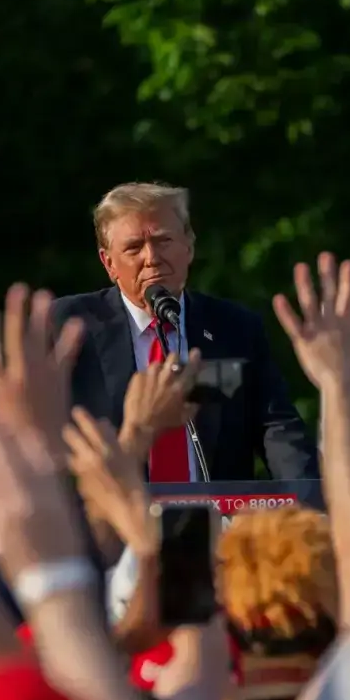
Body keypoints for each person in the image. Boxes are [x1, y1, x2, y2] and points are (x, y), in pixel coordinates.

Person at [53, 182, 317, 482]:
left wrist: (308, 501)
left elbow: (278, 430)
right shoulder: (69, 327)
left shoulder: (235, 327)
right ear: (109, 263)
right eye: (134, 247)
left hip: (215, 510)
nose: (151, 257)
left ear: (189, 246)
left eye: (163, 240)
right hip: (113, 508)